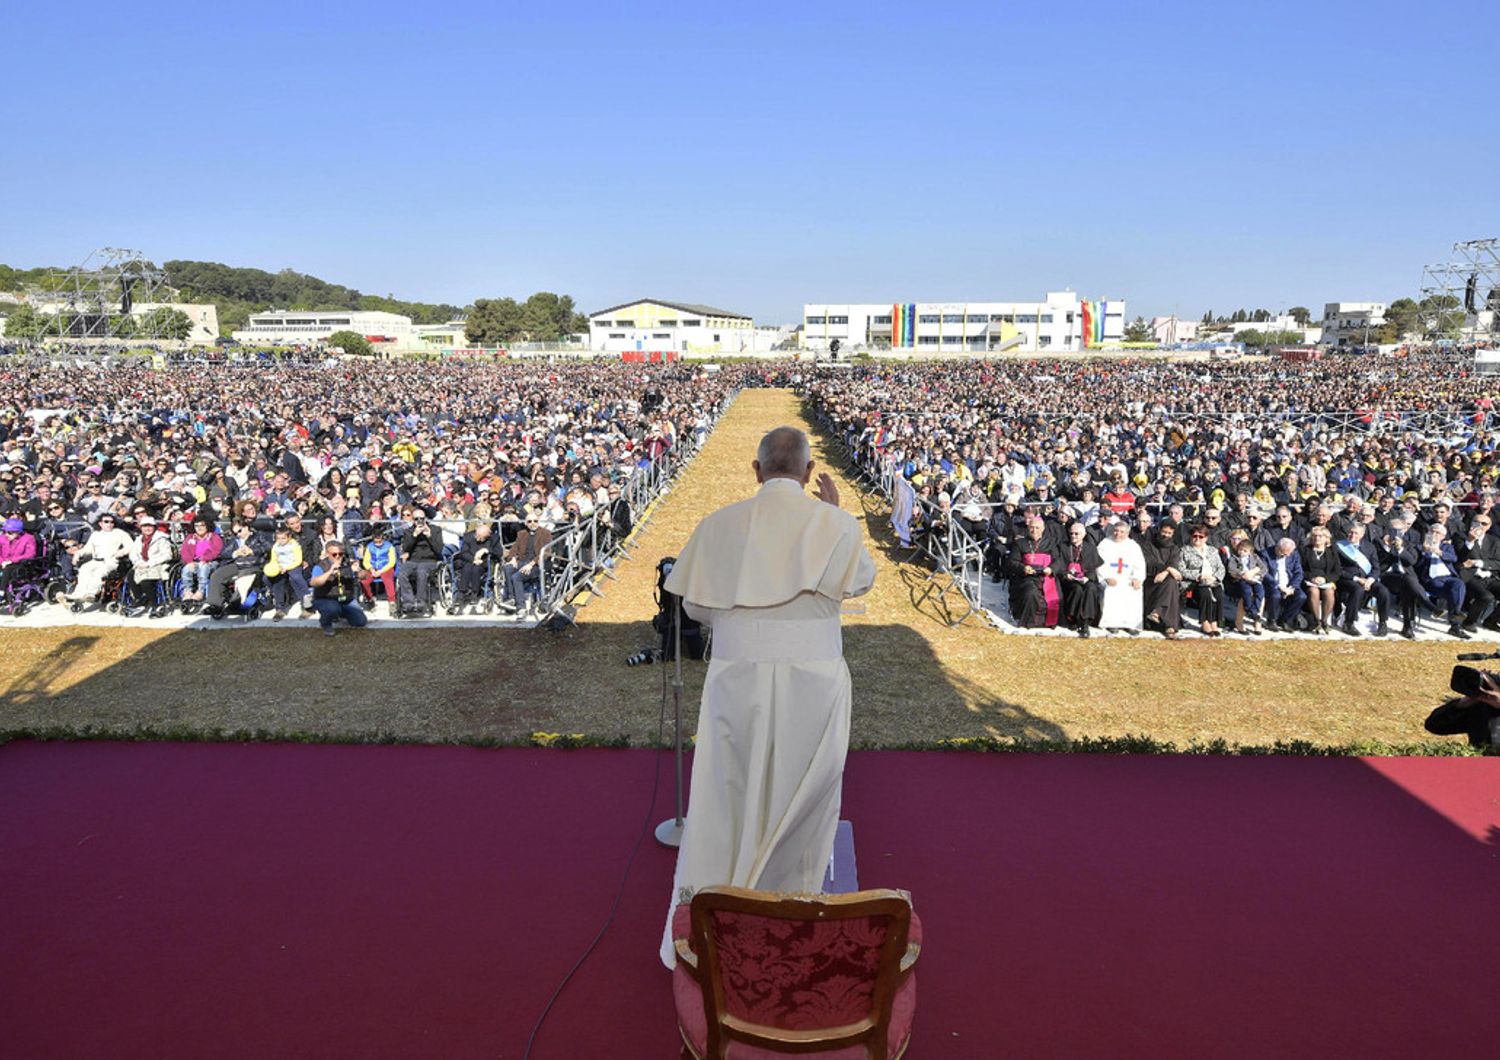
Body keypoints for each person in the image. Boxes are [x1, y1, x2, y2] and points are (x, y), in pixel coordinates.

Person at [659, 426, 875, 969]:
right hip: (815, 679)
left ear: (756, 472)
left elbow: (696, 609)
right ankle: (791, 922)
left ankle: (718, 915)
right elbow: (859, 584)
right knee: (806, 794)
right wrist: (835, 515)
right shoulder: (836, 523)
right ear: (806, 473)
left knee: (728, 791)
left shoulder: (718, 525)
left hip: (739, 677)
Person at [1095, 517, 1145, 634]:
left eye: (1122, 532)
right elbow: (1099, 563)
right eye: (1116, 531)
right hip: (1110, 577)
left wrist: (1137, 578)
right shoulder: (1105, 544)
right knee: (1112, 589)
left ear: (1127, 533)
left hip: (1128, 578)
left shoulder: (1133, 546)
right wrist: (1106, 577)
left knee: (1134, 590)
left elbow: (1140, 564)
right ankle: (1112, 623)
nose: (1118, 534)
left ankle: (1131, 624)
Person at [308, 542, 368, 637]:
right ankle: (326, 623)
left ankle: (339, 613)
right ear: (327, 554)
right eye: (334, 554)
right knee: (332, 609)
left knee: (360, 622)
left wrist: (359, 570)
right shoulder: (320, 566)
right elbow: (314, 583)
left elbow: (364, 576)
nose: (338, 557)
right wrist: (330, 572)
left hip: (346, 599)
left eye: (340, 554)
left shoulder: (348, 563)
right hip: (325, 598)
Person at [1180, 523, 1226, 636]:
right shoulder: (1185, 550)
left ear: (1206, 538)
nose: (1197, 539)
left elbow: (1221, 567)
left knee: (1218, 593)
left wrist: (1214, 577)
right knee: (1205, 593)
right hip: (1194, 582)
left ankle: (1214, 621)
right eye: (1195, 536)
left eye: (1201, 536)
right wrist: (1199, 575)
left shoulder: (1212, 550)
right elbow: (1181, 569)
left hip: (1212, 580)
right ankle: (1205, 622)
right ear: (1191, 536)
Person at [1058, 520, 1103, 637]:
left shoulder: (1090, 548)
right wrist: (1065, 574)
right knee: (1077, 589)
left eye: (1076, 534)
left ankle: (1085, 622)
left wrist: (1088, 578)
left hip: (1085, 578)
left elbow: (1094, 568)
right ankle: (1072, 618)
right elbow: (1058, 565)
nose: (1073, 536)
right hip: (1068, 580)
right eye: (1071, 533)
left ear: (1083, 535)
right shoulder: (1063, 547)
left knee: (1091, 588)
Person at [123, 514, 173, 617]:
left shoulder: (161, 538)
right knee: (130, 575)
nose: (147, 528)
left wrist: (149, 563)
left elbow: (167, 555)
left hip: (157, 565)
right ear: (141, 528)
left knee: (146, 582)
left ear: (154, 527)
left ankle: (155, 604)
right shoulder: (139, 539)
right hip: (141, 564)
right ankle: (139, 599)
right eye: (145, 526)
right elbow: (133, 554)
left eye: (150, 526)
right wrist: (138, 562)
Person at [1300, 526, 1341, 635]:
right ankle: (1316, 621)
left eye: (1320, 536)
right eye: (1314, 536)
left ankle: (1324, 621)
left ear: (1326, 538)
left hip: (1326, 581)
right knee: (1313, 591)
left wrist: (1325, 579)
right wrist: (1312, 578)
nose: (1317, 538)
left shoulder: (1332, 552)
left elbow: (1337, 572)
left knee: (1329, 592)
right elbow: (1300, 569)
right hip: (1308, 581)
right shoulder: (1304, 550)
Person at [178, 516, 222, 606]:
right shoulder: (190, 537)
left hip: (210, 561)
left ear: (207, 526)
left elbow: (217, 550)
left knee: (204, 567)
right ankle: (187, 591)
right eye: (196, 525)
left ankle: (200, 591)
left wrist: (205, 559)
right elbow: (184, 551)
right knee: (186, 569)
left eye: (202, 525)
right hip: (194, 562)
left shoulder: (214, 537)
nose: (199, 528)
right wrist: (189, 561)